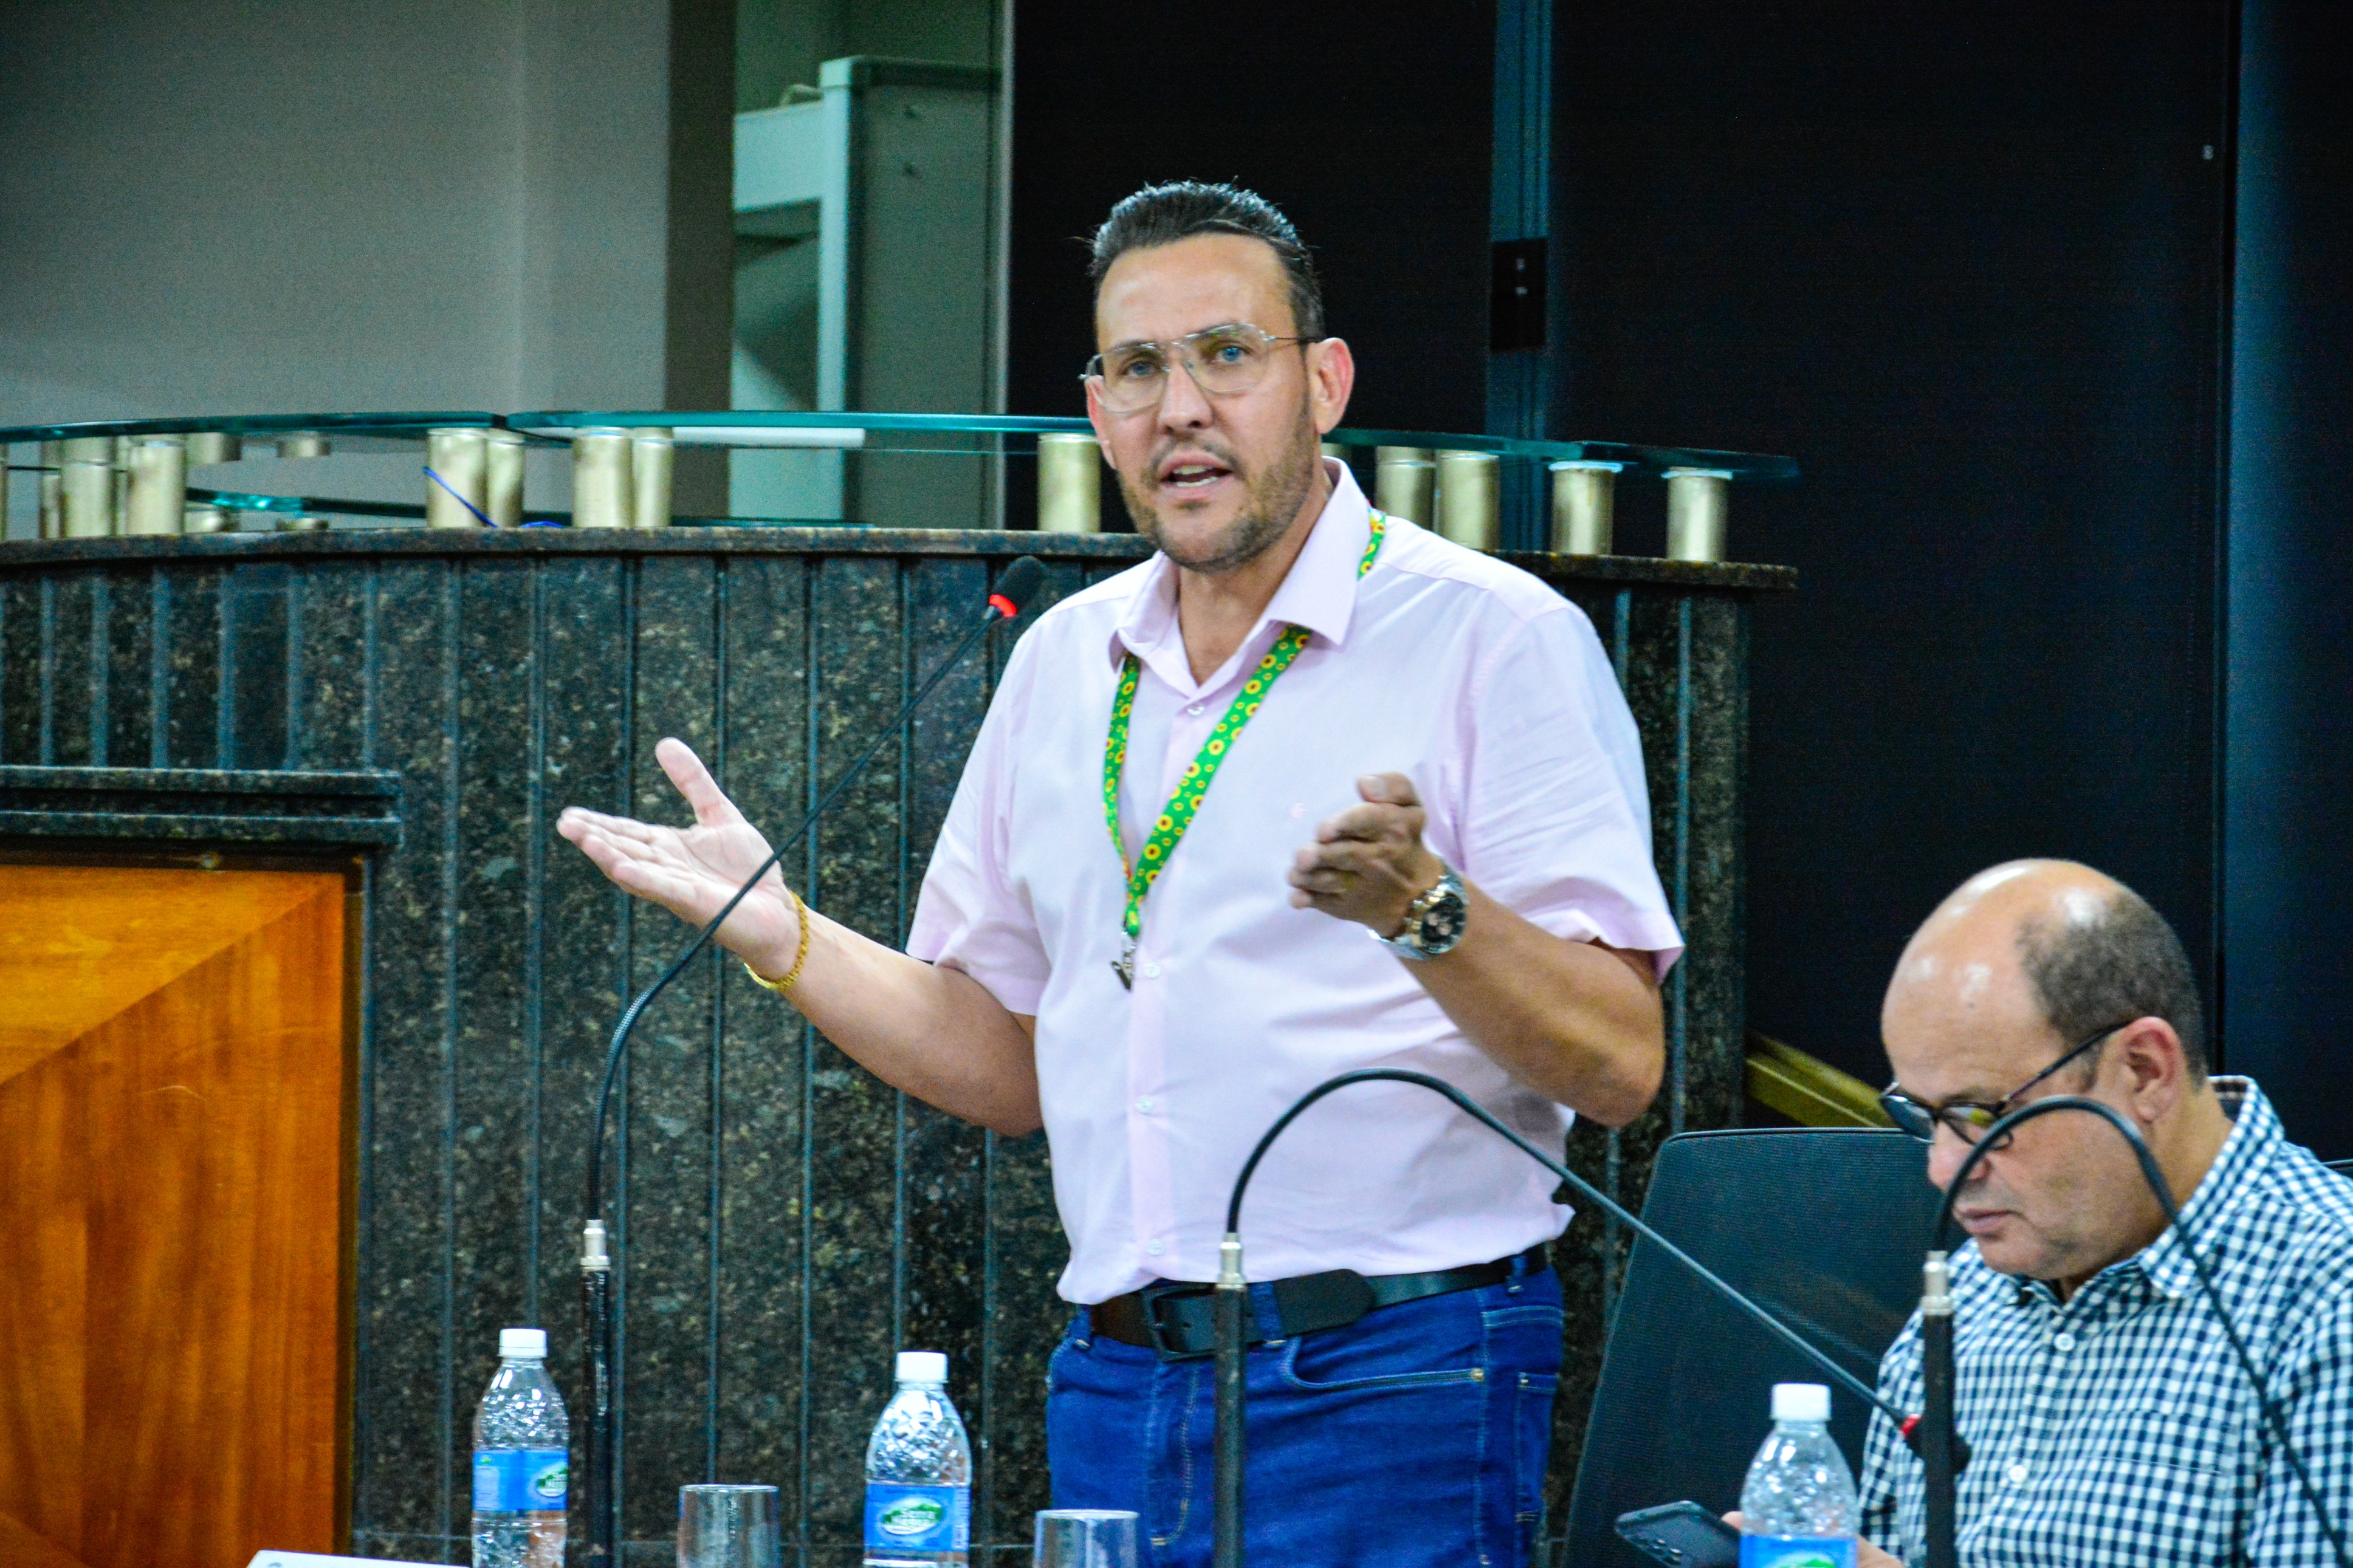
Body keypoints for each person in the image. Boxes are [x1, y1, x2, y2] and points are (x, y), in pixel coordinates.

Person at [557, 180, 1679, 1566]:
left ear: (1324, 382)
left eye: (1227, 354)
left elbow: (1620, 1064)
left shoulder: (1491, 638)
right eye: (1138, 368)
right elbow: (1007, 1061)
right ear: (1098, 414)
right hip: (1114, 1382)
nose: (1180, 408)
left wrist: (1423, 912)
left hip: (1393, 1374)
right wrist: (780, 930)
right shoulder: (1063, 660)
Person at [1801, 860, 2353, 1566]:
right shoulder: (1963, 1295)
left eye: (1980, 1115)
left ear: (2143, 1071)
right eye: (1921, 1115)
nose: (1943, 1169)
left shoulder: (2326, 1299)